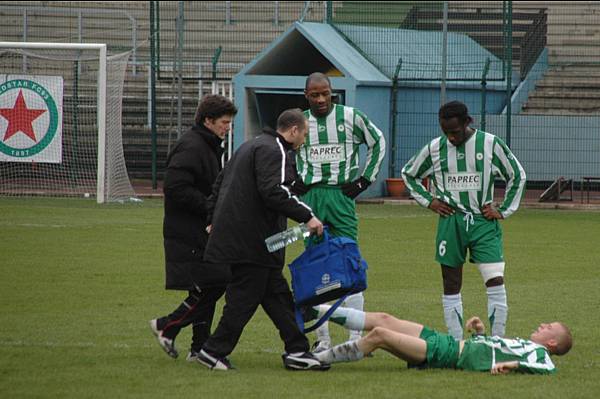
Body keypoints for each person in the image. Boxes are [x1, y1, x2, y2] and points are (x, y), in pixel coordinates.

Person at [196, 109, 327, 371]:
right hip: (252, 242)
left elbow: (219, 184)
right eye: (304, 134)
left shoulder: (251, 146)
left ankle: (297, 350)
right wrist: (308, 217)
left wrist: (213, 218)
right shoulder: (275, 150)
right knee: (243, 300)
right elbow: (274, 191)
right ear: (293, 131)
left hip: (247, 239)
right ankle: (213, 350)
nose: (304, 140)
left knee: (277, 296)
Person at [401, 101, 526, 340]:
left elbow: (517, 174)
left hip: (482, 222)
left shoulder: (489, 143)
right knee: (451, 282)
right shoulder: (434, 149)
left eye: (455, 132)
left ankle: (497, 340)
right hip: (451, 222)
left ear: (467, 122)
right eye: (445, 131)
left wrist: (502, 209)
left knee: (495, 279)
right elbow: (409, 174)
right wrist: (430, 201)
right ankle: (456, 343)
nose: (450, 137)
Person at [292, 72, 386, 352]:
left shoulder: (351, 117)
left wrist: (365, 180)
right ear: (306, 95)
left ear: (332, 92)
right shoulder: (300, 121)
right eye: (315, 95)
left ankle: (355, 339)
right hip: (311, 198)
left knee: (349, 261)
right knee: (316, 266)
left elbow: (378, 141)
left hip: (341, 196)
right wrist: (293, 181)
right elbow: (283, 149)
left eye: (325, 93)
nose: (321, 99)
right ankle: (322, 340)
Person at [149, 94, 237, 361]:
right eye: (224, 122)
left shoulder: (206, 145)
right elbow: (175, 188)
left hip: (199, 229)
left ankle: (199, 347)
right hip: (188, 231)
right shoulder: (192, 146)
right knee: (214, 283)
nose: (228, 127)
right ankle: (167, 325)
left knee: (208, 285)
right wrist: (212, 208)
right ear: (208, 121)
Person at [309, 305, 572, 374]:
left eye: (548, 327)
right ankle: (313, 309)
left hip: (448, 355)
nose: (542, 325)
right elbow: (491, 350)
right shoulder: (526, 345)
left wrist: (512, 366)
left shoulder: (540, 356)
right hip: (445, 341)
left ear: (551, 344)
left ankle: (315, 361)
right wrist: (480, 332)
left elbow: (547, 369)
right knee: (384, 319)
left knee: (380, 336)